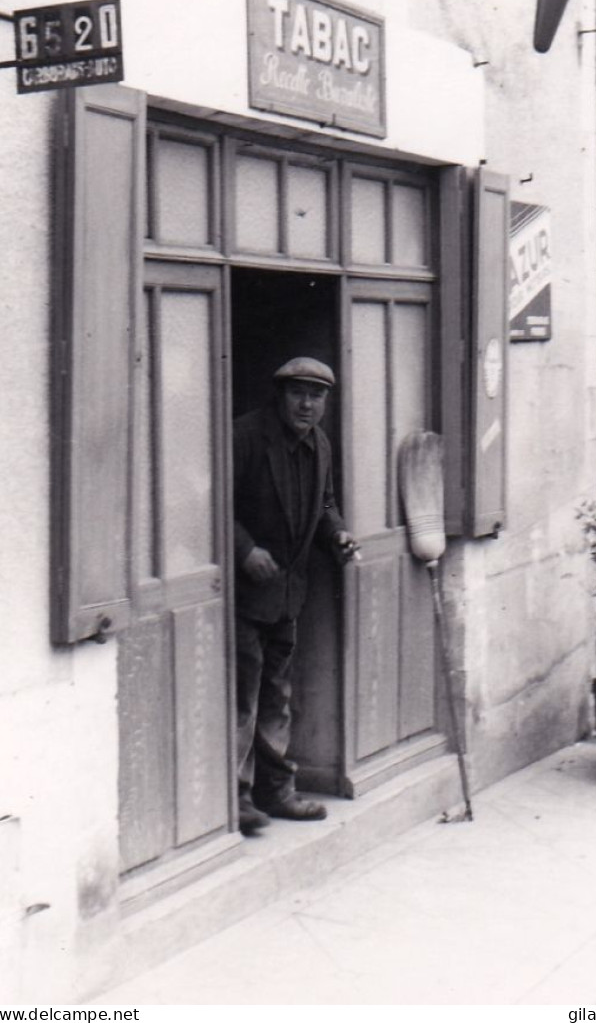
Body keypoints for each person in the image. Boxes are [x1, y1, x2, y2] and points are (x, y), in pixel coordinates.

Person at [233, 356, 357, 835]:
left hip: (288, 593)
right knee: (244, 696)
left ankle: (276, 791)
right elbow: (206, 501)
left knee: (277, 695)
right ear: (280, 395)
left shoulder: (319, 445)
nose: (307, 404)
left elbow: (325, 504)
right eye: (298, 393)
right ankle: (239, 798)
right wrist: (244, 550)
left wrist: (339, 534)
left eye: (317, 395)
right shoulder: (245, 436)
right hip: (246, 592)